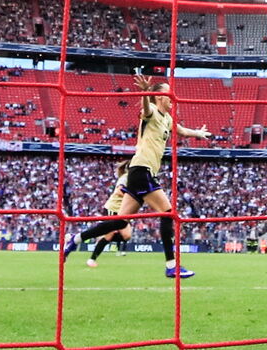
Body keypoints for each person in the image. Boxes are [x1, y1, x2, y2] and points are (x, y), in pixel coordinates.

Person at [63, 74, 211, 278]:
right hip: (141, 171)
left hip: (140, 174)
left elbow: (181, 131)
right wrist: (145, 92)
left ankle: (75, 239)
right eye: (168, 93)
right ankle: (171, 265)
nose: (172, 97)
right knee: (167, 213)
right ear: (159, 97)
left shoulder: (167, 119)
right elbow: (147, 108)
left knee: (120, 223)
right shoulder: (150, 112)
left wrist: (198, 134)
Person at [86, 160, 134, 268]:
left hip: (123, 211)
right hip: (114, 209)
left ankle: (99, 235)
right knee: (110, 234)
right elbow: (118, 191)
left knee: (127, 236)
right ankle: (92, 259)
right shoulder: (125, 178)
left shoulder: (134, 179)